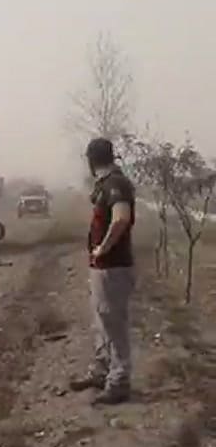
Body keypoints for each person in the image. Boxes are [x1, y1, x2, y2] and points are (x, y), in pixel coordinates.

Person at [70, 137, 136, 405]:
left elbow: (121, 219)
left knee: (113, 324)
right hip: (104, 268)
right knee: (102, 322)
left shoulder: (116, 184)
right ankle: (102, 371)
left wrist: (103, 248)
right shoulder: (106, 184)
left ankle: (119, 382)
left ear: (91, 160)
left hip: (114, 267)